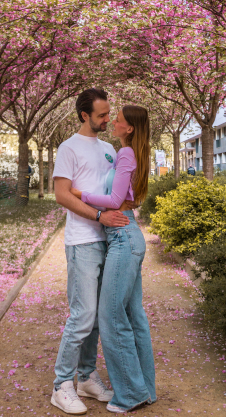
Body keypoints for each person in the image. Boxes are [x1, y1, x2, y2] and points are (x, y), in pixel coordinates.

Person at [71, 105, 156, 413]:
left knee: (110, 316)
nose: (113, 121)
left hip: (123, 240)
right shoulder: (134, 153)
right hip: (127, 237)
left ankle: (131, 394)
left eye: (117, 118)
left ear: (129, 128)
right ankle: (145, 389)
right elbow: (126, 198)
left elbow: (115, 201)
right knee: (134, 317)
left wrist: (79, 194)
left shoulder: (127, 154)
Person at [51, 88, 131, 415]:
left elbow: (115, 189)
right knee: (82, 316)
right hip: (82, 240)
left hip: (110, 241)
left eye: (108, 113)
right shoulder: (68, 148)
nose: (107, 119)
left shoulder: (110, 148)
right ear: (84, 115)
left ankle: (85, 377)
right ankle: (61, 385)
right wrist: (99, 215)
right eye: (101, 114)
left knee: (97, 316)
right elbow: (61, 194)